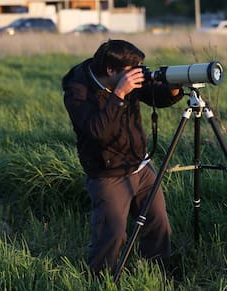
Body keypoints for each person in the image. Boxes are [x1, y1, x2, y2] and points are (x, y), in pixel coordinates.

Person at [62, 39, 184, 276]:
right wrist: (119, 94)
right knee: (113, 233)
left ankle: (160, 273)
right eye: (133, 69)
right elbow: (96, 131)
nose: (138, 73)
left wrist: (173, 88)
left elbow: (156, 97)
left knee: (158, 223)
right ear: (111, 70)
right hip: (107, 173)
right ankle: (100, 278)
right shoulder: (78, 91)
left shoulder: (125, 79)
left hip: (140, 164)